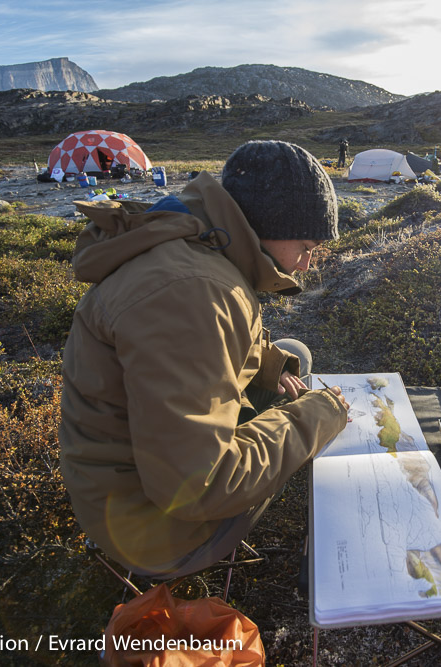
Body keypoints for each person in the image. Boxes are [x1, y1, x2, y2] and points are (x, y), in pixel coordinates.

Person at [59, 140, 350, 578]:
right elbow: (203, 488)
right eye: (307, 246)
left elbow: (205, 350)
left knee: (292, 356)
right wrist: (314, 420)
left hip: (125, 483)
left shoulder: (196, 240)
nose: (308, 264)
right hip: (159, 534)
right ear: (265, 224)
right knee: (314, 412)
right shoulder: (192, 293)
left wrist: (272, 366)